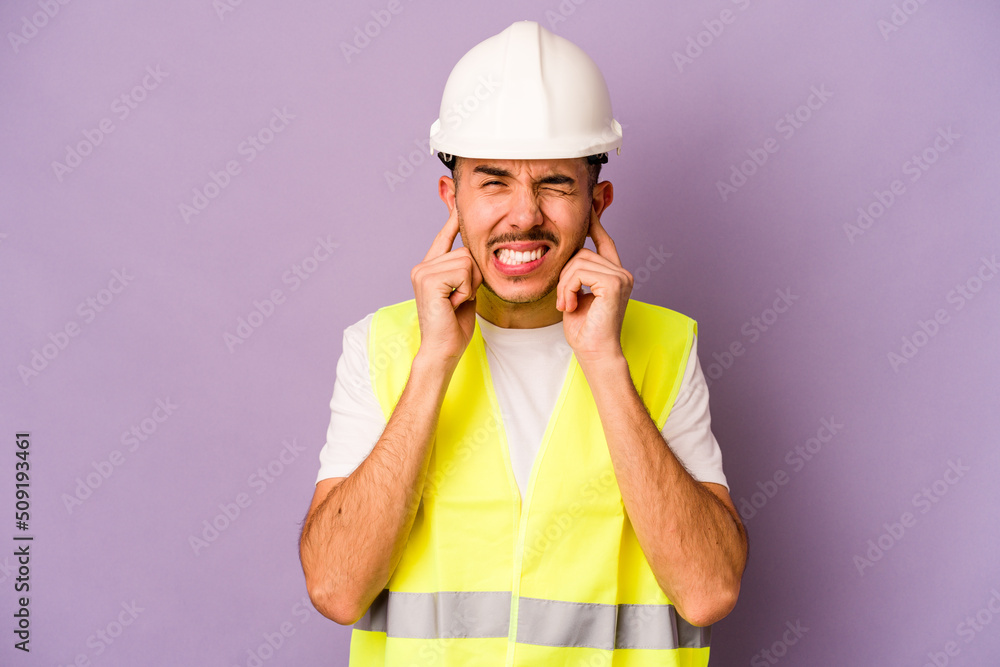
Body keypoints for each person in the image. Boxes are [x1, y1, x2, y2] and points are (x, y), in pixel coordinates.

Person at [299, 20, 747, 666]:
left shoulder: (662, 346)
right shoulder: (383, 347)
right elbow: (337, 588)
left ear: (598, 202)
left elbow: (708, 591)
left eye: (555, 183)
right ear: (452, 198)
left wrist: (605, 361)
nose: (524, 214)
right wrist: (433, 362)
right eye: (494, 182)